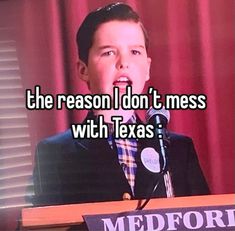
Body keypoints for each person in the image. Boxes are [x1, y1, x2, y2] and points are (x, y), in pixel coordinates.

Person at [31, 2, 209, 207]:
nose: (124, 62)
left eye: (135, 52)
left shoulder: (178, 149)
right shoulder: (55, 154)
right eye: (108, 52)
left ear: (147, 68)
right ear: (83, 70)